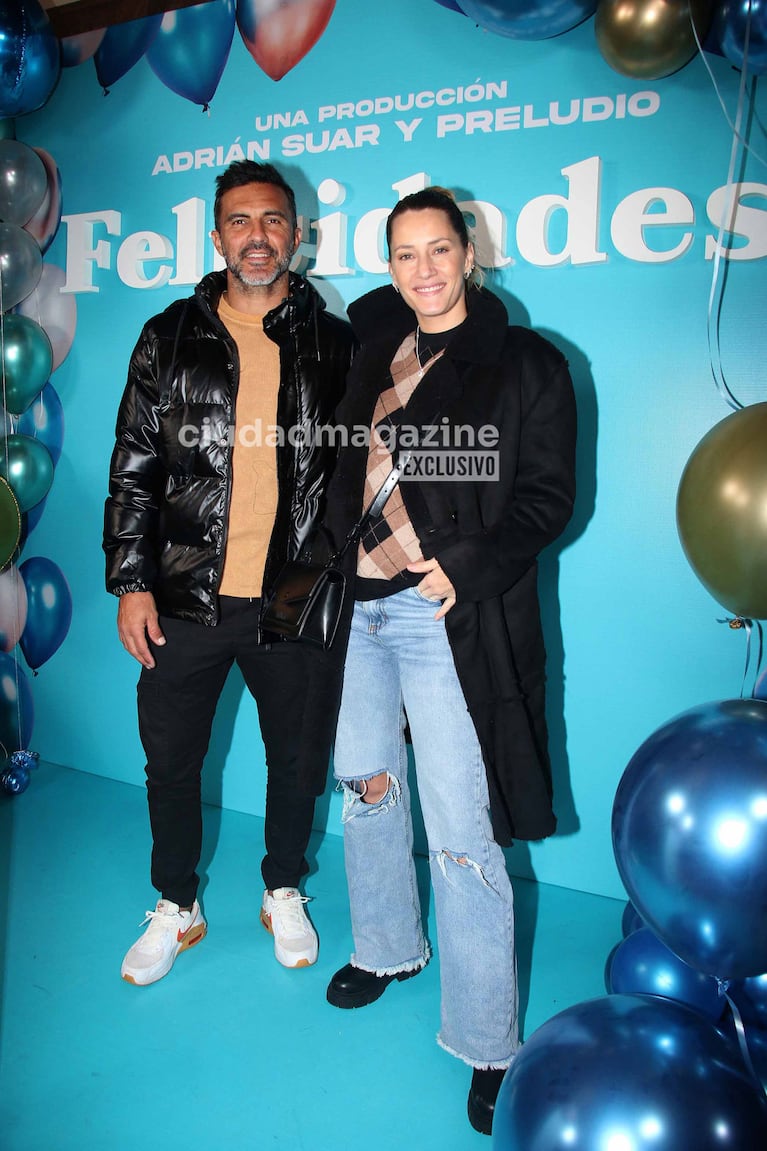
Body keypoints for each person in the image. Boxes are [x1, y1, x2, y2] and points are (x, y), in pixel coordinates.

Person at [316, 187, 577, 1135]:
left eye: (438, 250)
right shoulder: (367, 347)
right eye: (403, 254)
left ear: (469, 252)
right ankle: (387, 945)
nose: (422, 270)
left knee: (463, 830)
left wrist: (460, 564)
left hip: (445, 617)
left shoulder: (527, 364)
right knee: (368, 787)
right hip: (356, 610)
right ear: (388, 264)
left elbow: (547, 499)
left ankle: (487, 1039)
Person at [103, 160, 355, 986]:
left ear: (296, 232)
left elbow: (359, 467)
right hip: (182, 594)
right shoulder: (167, 334)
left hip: (291, 594)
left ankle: (282, 885)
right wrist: (130, 580)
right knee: (171, 761)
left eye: (273, 220)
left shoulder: (335, 341)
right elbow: (134, 466)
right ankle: (178, 904)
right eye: (240, 221)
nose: (257, 236)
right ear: (217, 236)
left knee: (296, 757)